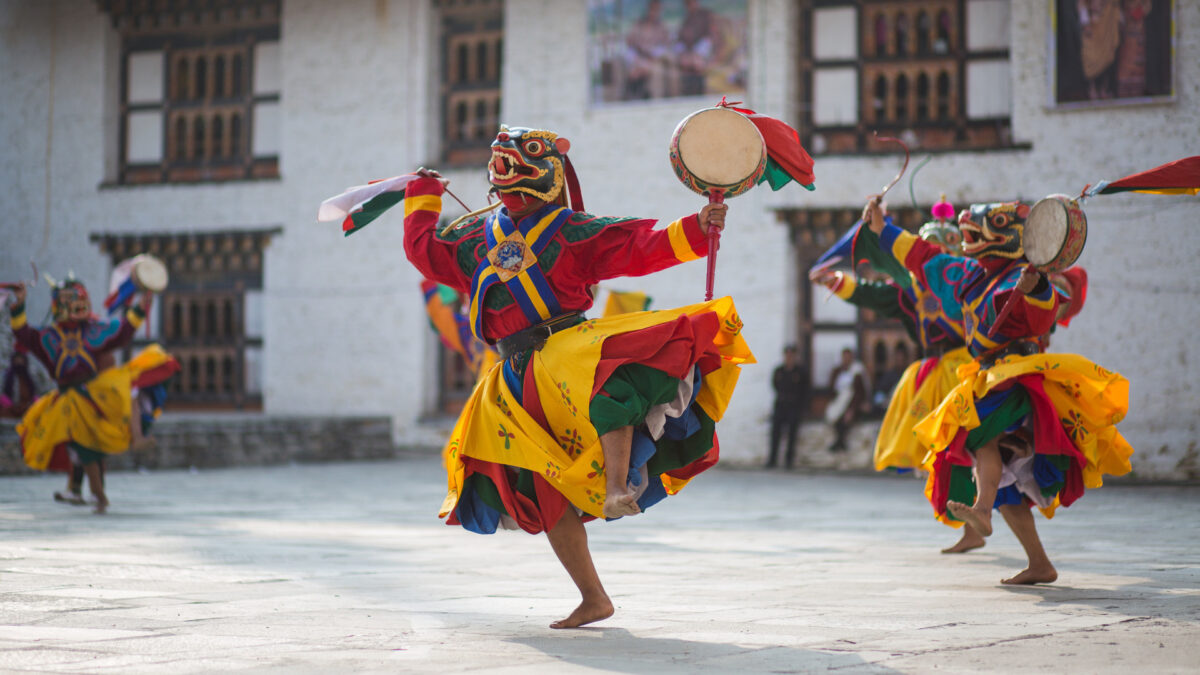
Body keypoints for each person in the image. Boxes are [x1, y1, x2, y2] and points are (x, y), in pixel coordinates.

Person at [395, 125, 753, 628]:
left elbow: (637, 245)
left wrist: (697, 226)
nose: (509, 182)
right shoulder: (474, 236)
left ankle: (616, 486)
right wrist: (423, 196)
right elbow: (426, 254)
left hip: (565, 346)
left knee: (612, 388)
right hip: (511, 377)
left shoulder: (571, 231)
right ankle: (594, 597)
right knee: (543, 491)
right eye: (503, 172)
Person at [863, 196, 1133, 584]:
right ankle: (1038, 562)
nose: (969, 226)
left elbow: (1043, 312)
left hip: (1014, 377)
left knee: (972, 433)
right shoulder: (968, 273)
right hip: (986, 373)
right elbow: (922, 257)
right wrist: (882, 229)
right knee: (1007, 488)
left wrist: (1037, 287)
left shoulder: (1021, 276)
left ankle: (984, 506)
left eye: (994, 222)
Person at [809, 196, 983, 553]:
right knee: (948, 453)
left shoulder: (963, 282)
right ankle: (969, 525)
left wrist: (881, 230)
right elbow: (873, 296)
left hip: (965, 372)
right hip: (935, 375)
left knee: (969, 449)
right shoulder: (911, 292)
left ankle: (977, 522)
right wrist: (836, 281)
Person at [7, 276, 178, 513]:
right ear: (59, 304)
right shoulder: (48, 337)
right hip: (68, 400)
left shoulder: (92, 331)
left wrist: (142, 305)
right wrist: (19, 303)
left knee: (93, 444)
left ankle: (100, 492)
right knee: (84, 449)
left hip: (93, 393)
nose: (78, 305)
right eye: (71, 300)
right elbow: (23, 333)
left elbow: (123, 333)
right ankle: (96, 496)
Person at [766, 344, 808, 469]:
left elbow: (804, 389)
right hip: (780, 404)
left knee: (792, 434)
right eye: (787, 355)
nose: (789, 358)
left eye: (791, 355)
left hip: (794, 405)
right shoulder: (779, 371)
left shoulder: (800, 372)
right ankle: (772, 460)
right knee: (775, 433)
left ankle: (789, 461)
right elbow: (775, 385)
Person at [623, 0, 671, 99]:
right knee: (634, 71)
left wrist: (652, 55)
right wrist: (639, 52)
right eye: (652, 9)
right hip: (637, 59)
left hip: (653, 61)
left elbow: (666, 47)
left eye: (656, 9)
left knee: (653, 70)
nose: (653, 12)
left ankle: (653, 99)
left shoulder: (661, 27)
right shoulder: (639, 24)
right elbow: (630, 42)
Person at [824, 347, 867, 452]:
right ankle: (840, 443)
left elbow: (859, 392)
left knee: (844, 420)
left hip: (851, 404)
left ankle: (840, 443)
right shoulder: (837, 371)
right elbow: (832, 389)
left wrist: (852, 409)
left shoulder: (856, 372)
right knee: (834, 417)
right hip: (839, 402)